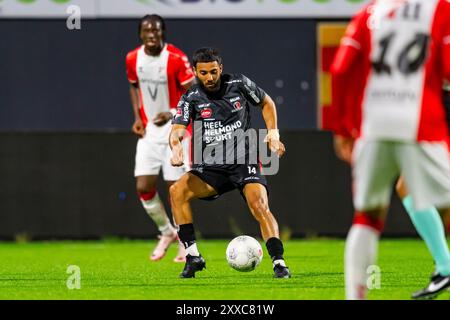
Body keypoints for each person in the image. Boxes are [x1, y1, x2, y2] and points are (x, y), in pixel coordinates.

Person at [331, 0, 450, 300]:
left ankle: (356, 296)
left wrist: (342, 128)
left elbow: (340, 69)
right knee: (443, 202)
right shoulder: (440, 10)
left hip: (374, 124)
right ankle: (446, 267)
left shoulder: (369, 13)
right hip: (423, 119)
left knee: (368, 215)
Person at [168, 47, 291, 278]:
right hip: (211, 166)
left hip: (244, 161)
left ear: (220, 68)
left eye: (213, 71)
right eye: (203, 73)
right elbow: (176, 130)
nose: (209, 78)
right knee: (177, 191)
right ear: (195, 71)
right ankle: (193, 257)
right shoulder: (191, 97)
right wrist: (175, 148)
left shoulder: (239, 83)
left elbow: (267, 103)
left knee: (259, 206)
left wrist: (273, 133)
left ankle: (279, 262)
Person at [125, 14, 195, 262]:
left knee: (175, 188)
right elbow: (134, 86)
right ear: (141, 34)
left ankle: (185, 243)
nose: (152, 35)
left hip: (175, 131)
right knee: (143, 186)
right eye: (147, 31)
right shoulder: (132, 58)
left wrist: (174, 112)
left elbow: (194, 93)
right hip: (149, 132)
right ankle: (167, 232)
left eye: (156, 31)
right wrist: (137, 118)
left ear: (163, 33)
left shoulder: (176, 58)